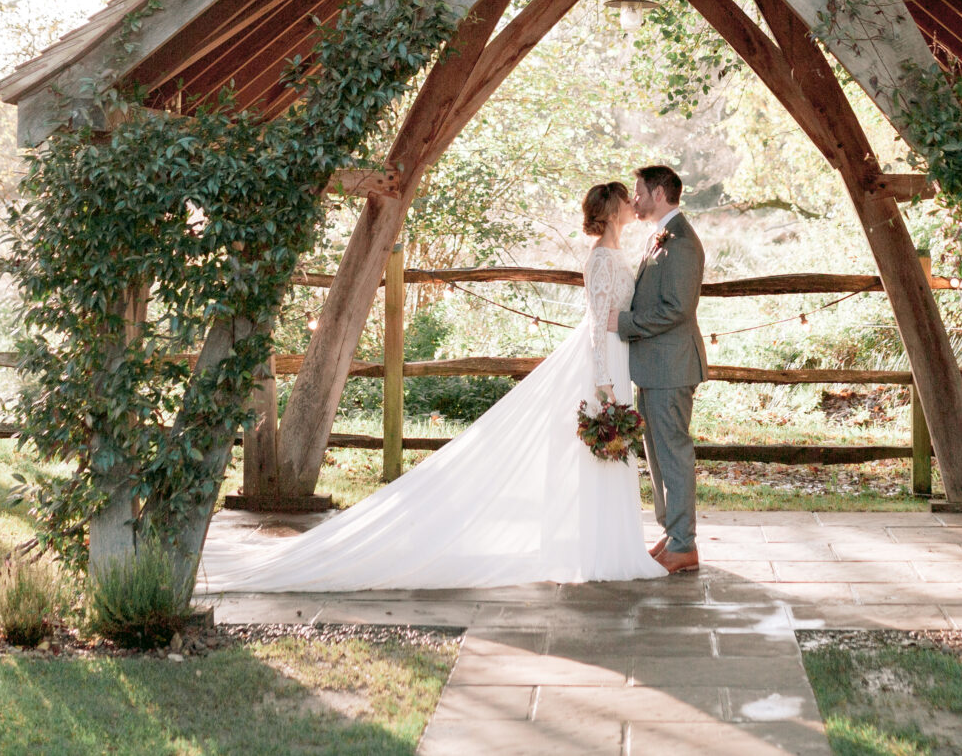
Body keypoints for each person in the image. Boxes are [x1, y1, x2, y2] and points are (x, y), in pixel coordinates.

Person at [196, 181, 665, 591]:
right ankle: (601, 550)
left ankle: (605, 544)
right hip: (602, 363)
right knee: (598, 450)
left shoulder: (617, 252)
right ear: (611, 210)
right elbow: (597, 321)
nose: (632, 205)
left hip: (614, 358)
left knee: (600, 456)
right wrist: (603, 381)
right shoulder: (602, 258)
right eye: (627, 199)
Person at [611, 164, 707, 575]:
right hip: (654, 366)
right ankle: (672, 534)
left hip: (671, 365)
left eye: (639, 192)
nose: (634, 199)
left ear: (660, 193)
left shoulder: (681, 242)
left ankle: (685, 545)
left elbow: (676, 309)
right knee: (658, 455)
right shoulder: (661, 236)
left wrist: (624, 324)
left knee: (674, 455)